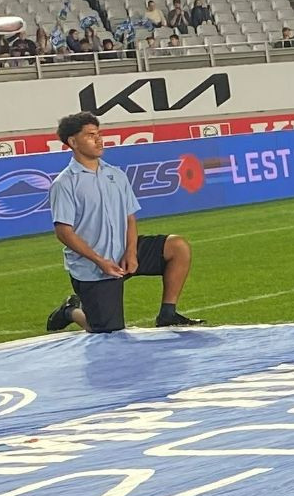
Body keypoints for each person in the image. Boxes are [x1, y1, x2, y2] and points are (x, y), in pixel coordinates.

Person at [43, 113, 205, 334]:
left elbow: (129, 216)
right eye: (91, 135)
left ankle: (168, 313)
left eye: (99, 134)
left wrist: (131, 252)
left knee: (178, 247)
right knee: (107, 332)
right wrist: (100, 261)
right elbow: (64, 232)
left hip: (123, 251)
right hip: (93, 266)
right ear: (73, 142)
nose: (99, 140)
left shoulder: (115, 174)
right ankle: (71, 310)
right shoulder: (65, 183)